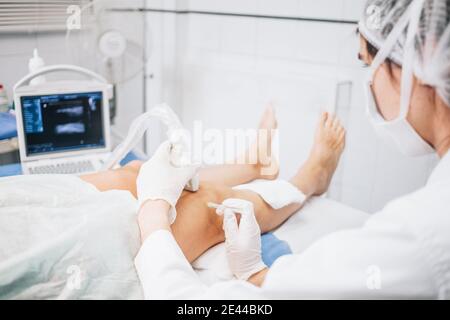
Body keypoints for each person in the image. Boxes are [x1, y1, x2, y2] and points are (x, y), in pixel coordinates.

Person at [134, 0, 450, 299]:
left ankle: (298, 178)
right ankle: (257, 167)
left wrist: (153, 217)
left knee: (199, 204)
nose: (370, 84)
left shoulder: (425, 232)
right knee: (133, 173)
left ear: (423, 59)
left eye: (371, 66)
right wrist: (256, 273)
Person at [80, 107, 345, 263]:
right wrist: (156, 208)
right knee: (206, 209)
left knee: (131, 175)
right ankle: (310, 180)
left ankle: (252, 166)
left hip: (43, 201)